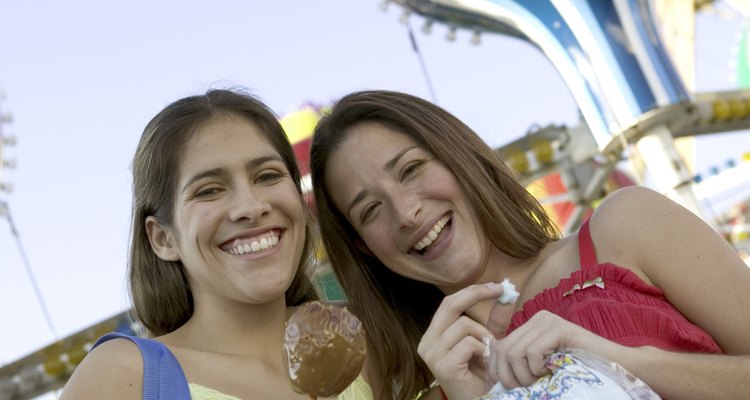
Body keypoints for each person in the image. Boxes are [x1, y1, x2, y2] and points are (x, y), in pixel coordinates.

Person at [309, 89, 750, 400]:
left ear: (460, 157)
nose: (406, 213)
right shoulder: (446, 386)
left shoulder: (627, 226)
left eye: (411, 170)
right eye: (371, 210)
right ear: (365, 247)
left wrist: (614, 358)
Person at [60, 88, 380, 400]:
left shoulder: (374, 335)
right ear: (162, 238)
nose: (251, 207)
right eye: (209, 190)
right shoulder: (123, 376)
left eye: (267, 176)